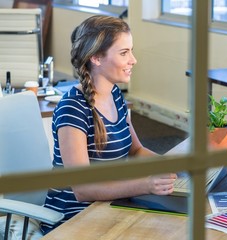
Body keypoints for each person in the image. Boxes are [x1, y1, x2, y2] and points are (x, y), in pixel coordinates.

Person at [40, 15, 177, 234]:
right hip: (74, 219)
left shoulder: (115, 94)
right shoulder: (72, 109)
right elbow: (83, 190)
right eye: (124, 53)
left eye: (131, 51)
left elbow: (136, 150)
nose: (133, 60)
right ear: (96, 58)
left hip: (111, 207)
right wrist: (146, 184)